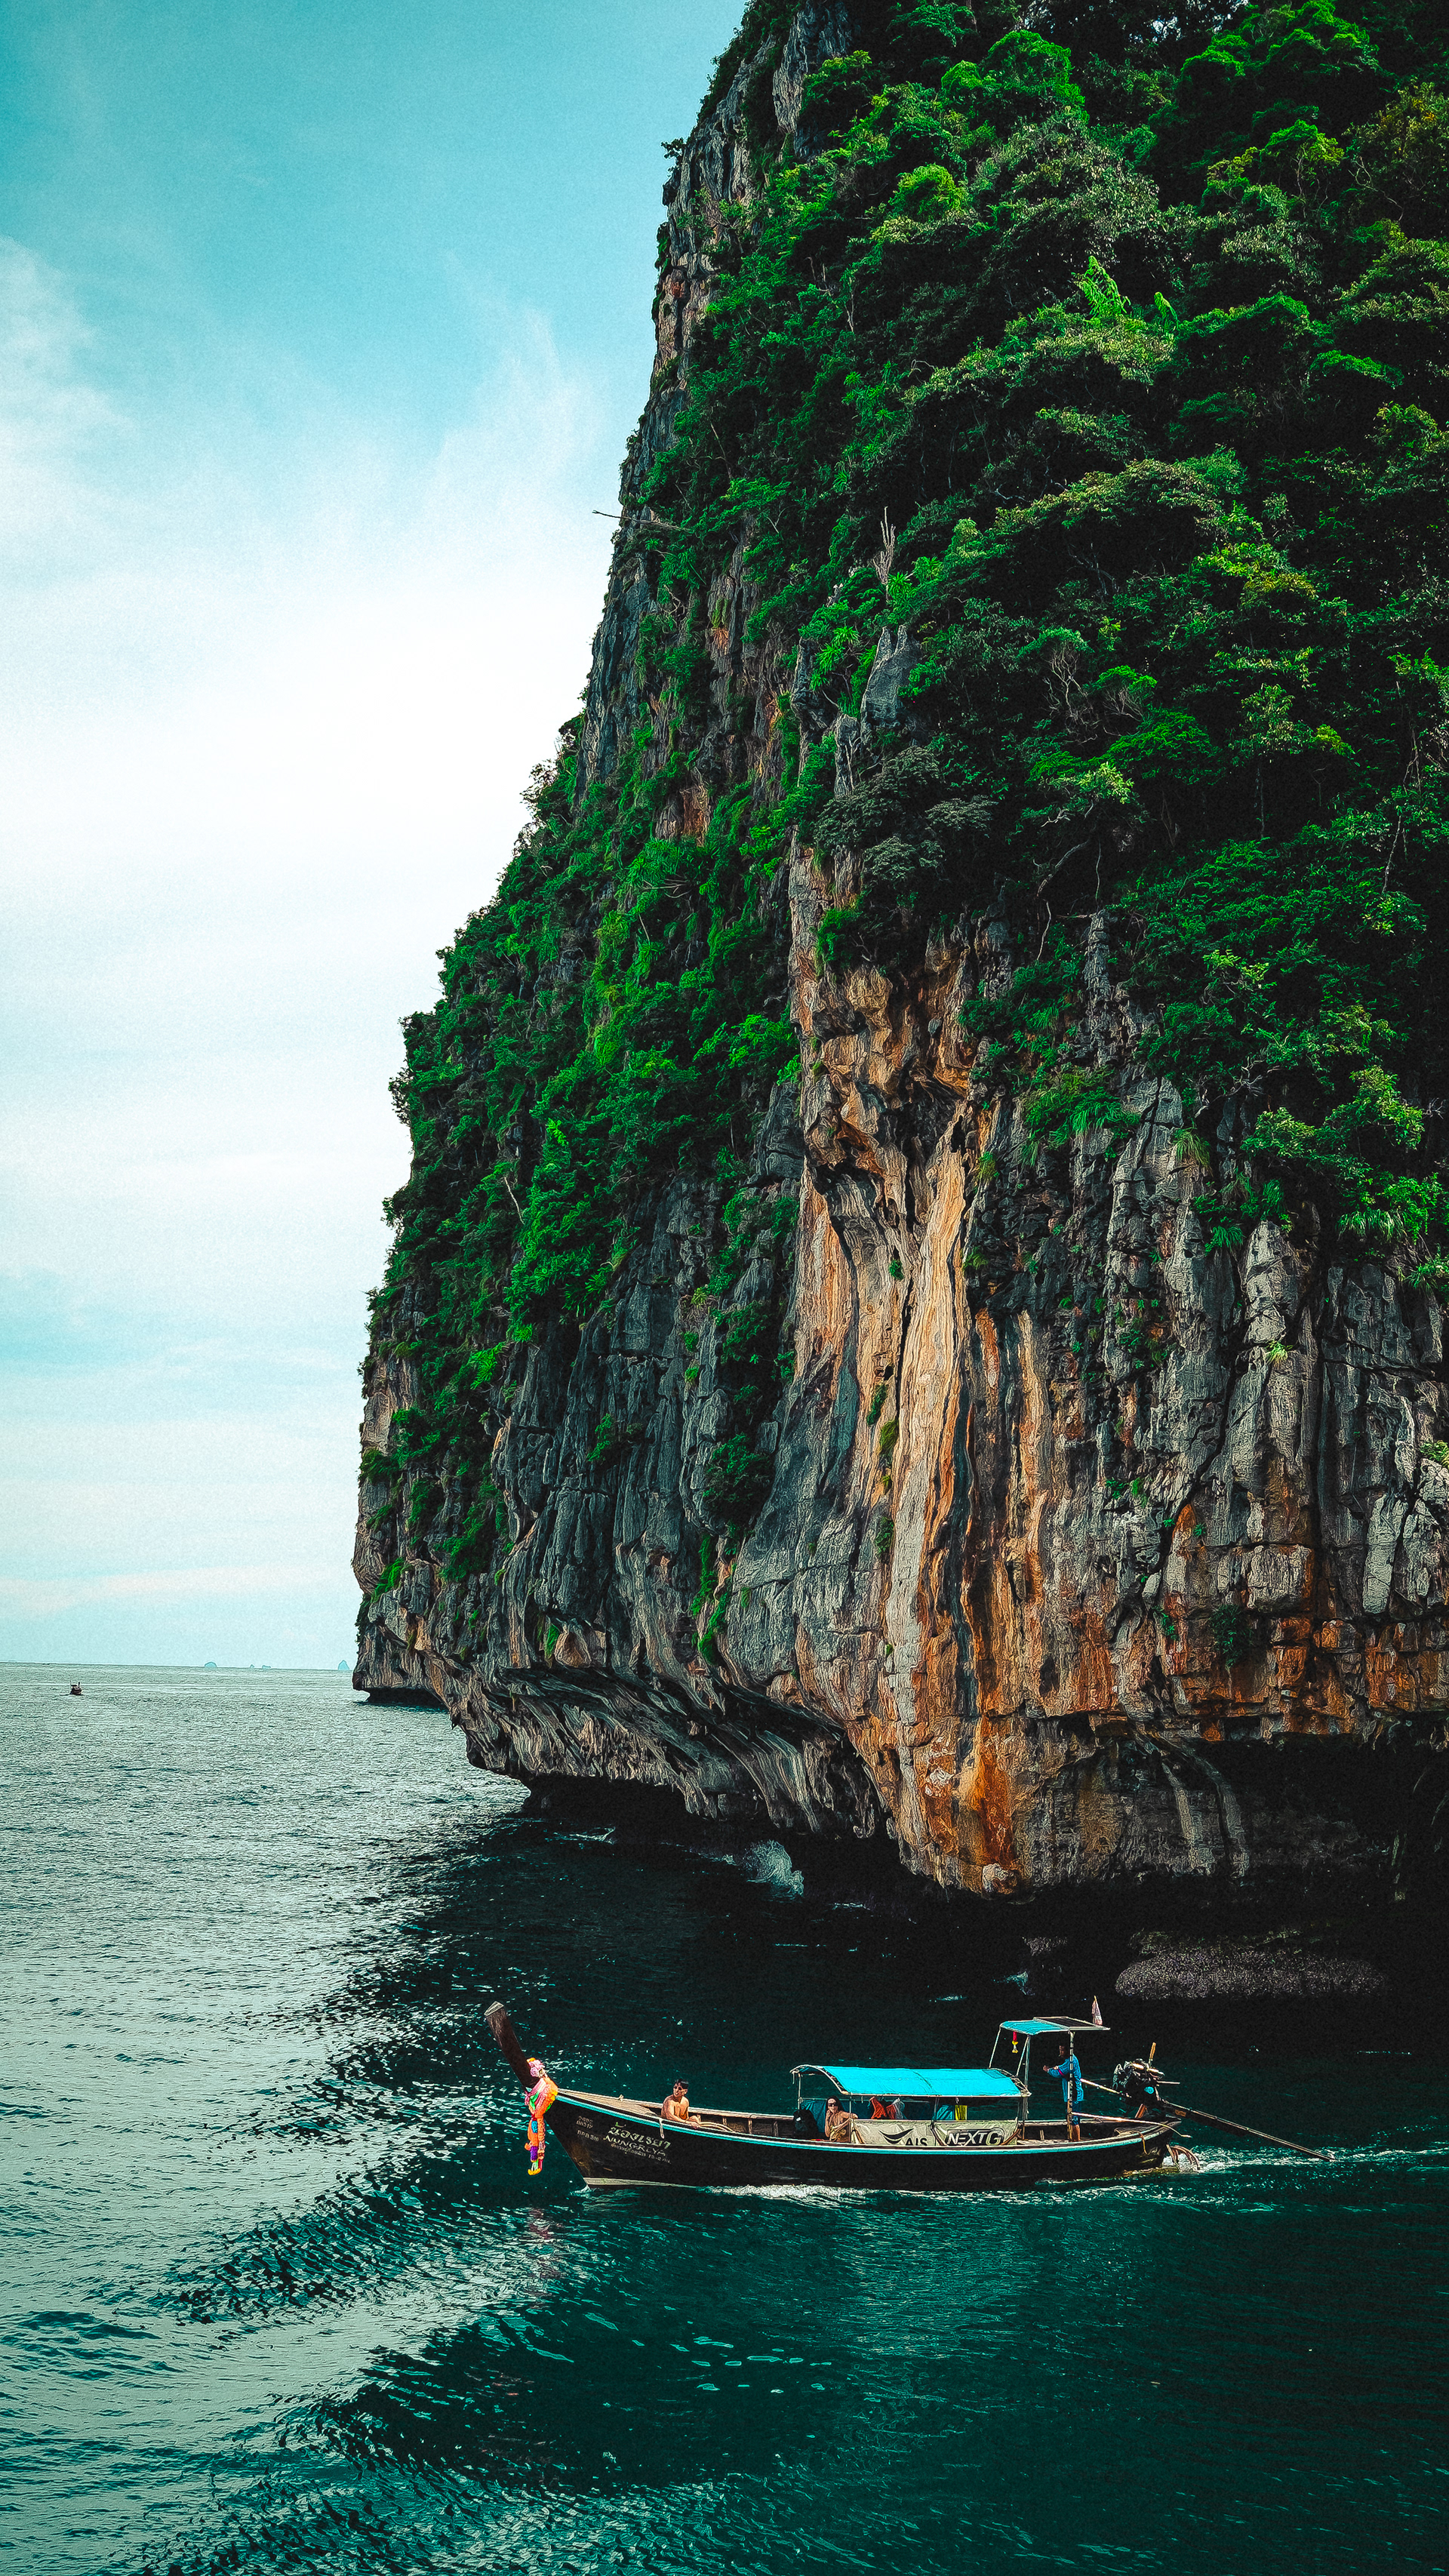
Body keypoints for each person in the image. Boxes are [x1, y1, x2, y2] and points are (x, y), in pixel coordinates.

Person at [1044, 2036, 1083, 2141]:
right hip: (1069, 2095)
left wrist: (1049, 2070)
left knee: (1074, 2121)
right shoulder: (1068, 2060)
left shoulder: (1072, 2061)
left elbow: (1059, 2072)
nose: (1060, 2052)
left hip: (1074, 2095)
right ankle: (1072, 2139)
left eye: (1062, 2050)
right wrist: (1057, 2068)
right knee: (1070, 2119)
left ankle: (1077, 2142)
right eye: (1060, 2050)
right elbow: (1061, 2069)